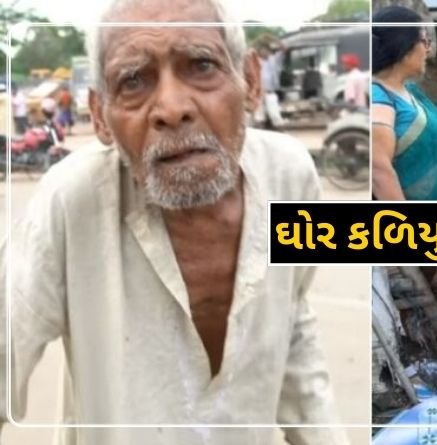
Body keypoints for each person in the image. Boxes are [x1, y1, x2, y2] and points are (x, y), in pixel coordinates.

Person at [0, 0, 348, 443]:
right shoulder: (71, 200)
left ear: (251, 82)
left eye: (201, 66)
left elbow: (291, 322)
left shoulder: (290, 175)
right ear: (102, 117)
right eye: (134, 81)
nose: (171, 107)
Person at [371, 6, 437, 201]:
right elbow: (379, 171)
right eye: (424, 41)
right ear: (404, 45)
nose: (428, 49)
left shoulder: (408, 91)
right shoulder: (378, 98)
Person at [258, 37, 287, 129]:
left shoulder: (274, 59)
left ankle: (280, 130)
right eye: (262, 50)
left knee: (275, 114)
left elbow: (285, 49)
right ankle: (260, 131)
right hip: (258, 92)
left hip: (270, 91)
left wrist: (274, 40)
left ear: (269, 51)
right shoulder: (256, 60)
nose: (264, 52)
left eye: (266, 50)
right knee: (259, 117)